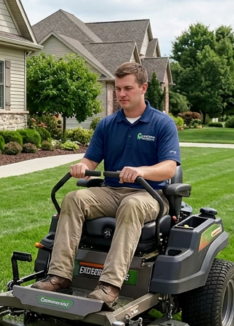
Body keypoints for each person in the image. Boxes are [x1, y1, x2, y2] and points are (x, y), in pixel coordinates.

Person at [31, 62, 181, 306]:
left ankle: (109, 285)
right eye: (118, 88)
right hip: (110, 191)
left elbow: (169, 167)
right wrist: (82, 166)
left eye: (127, 88)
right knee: (73, 198)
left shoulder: (162, 124)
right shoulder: (107, 125)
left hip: (149, 194)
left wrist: (140, 171)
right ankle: (59, 276)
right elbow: (91, 158)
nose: (121, 94)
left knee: (131, 205)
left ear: (143, 88)